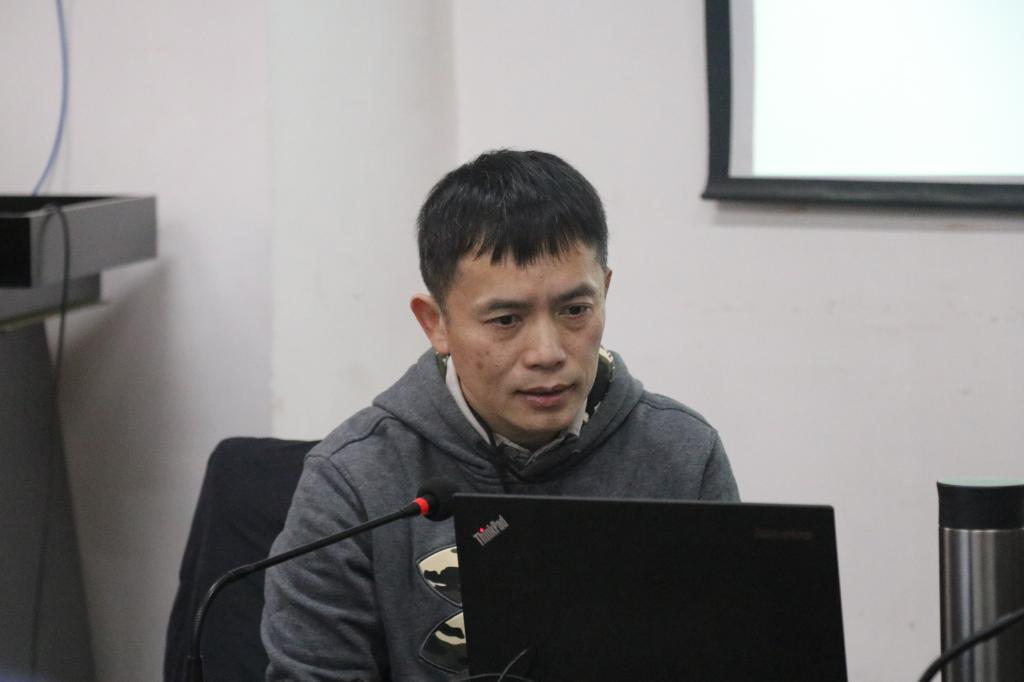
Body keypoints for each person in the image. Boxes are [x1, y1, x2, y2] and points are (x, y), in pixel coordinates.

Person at [261, 150, 739, 680]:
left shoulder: (682, 455)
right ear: (436, 323)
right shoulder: (352, 479)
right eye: (507, 320)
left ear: (605, 292)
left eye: (575, 311)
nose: (547, 353)